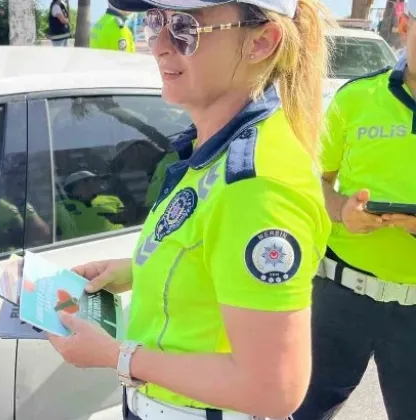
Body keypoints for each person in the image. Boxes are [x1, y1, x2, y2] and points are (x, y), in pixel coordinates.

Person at [45, 1, 334, 420]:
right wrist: (139, 268)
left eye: (184, 27)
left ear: (261, 42)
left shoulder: (256, 183)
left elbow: (273, 388)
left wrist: (117, 356)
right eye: (156, 21)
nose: (160, 44)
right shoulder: (217, 143)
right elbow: (212, 250)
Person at [292, 2, 416, 420]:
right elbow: (316, 179)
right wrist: (342, 209)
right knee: (299, 410)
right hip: (339, 298)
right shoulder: (355, 97)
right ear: (403, 25)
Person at [56, 171, 125, 240]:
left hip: (118, 241)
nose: (101, 181)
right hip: (79, 246)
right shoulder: (61, 206)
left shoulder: (113, 199)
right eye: (95, 179)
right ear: (80, 184)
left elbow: (129, 220)